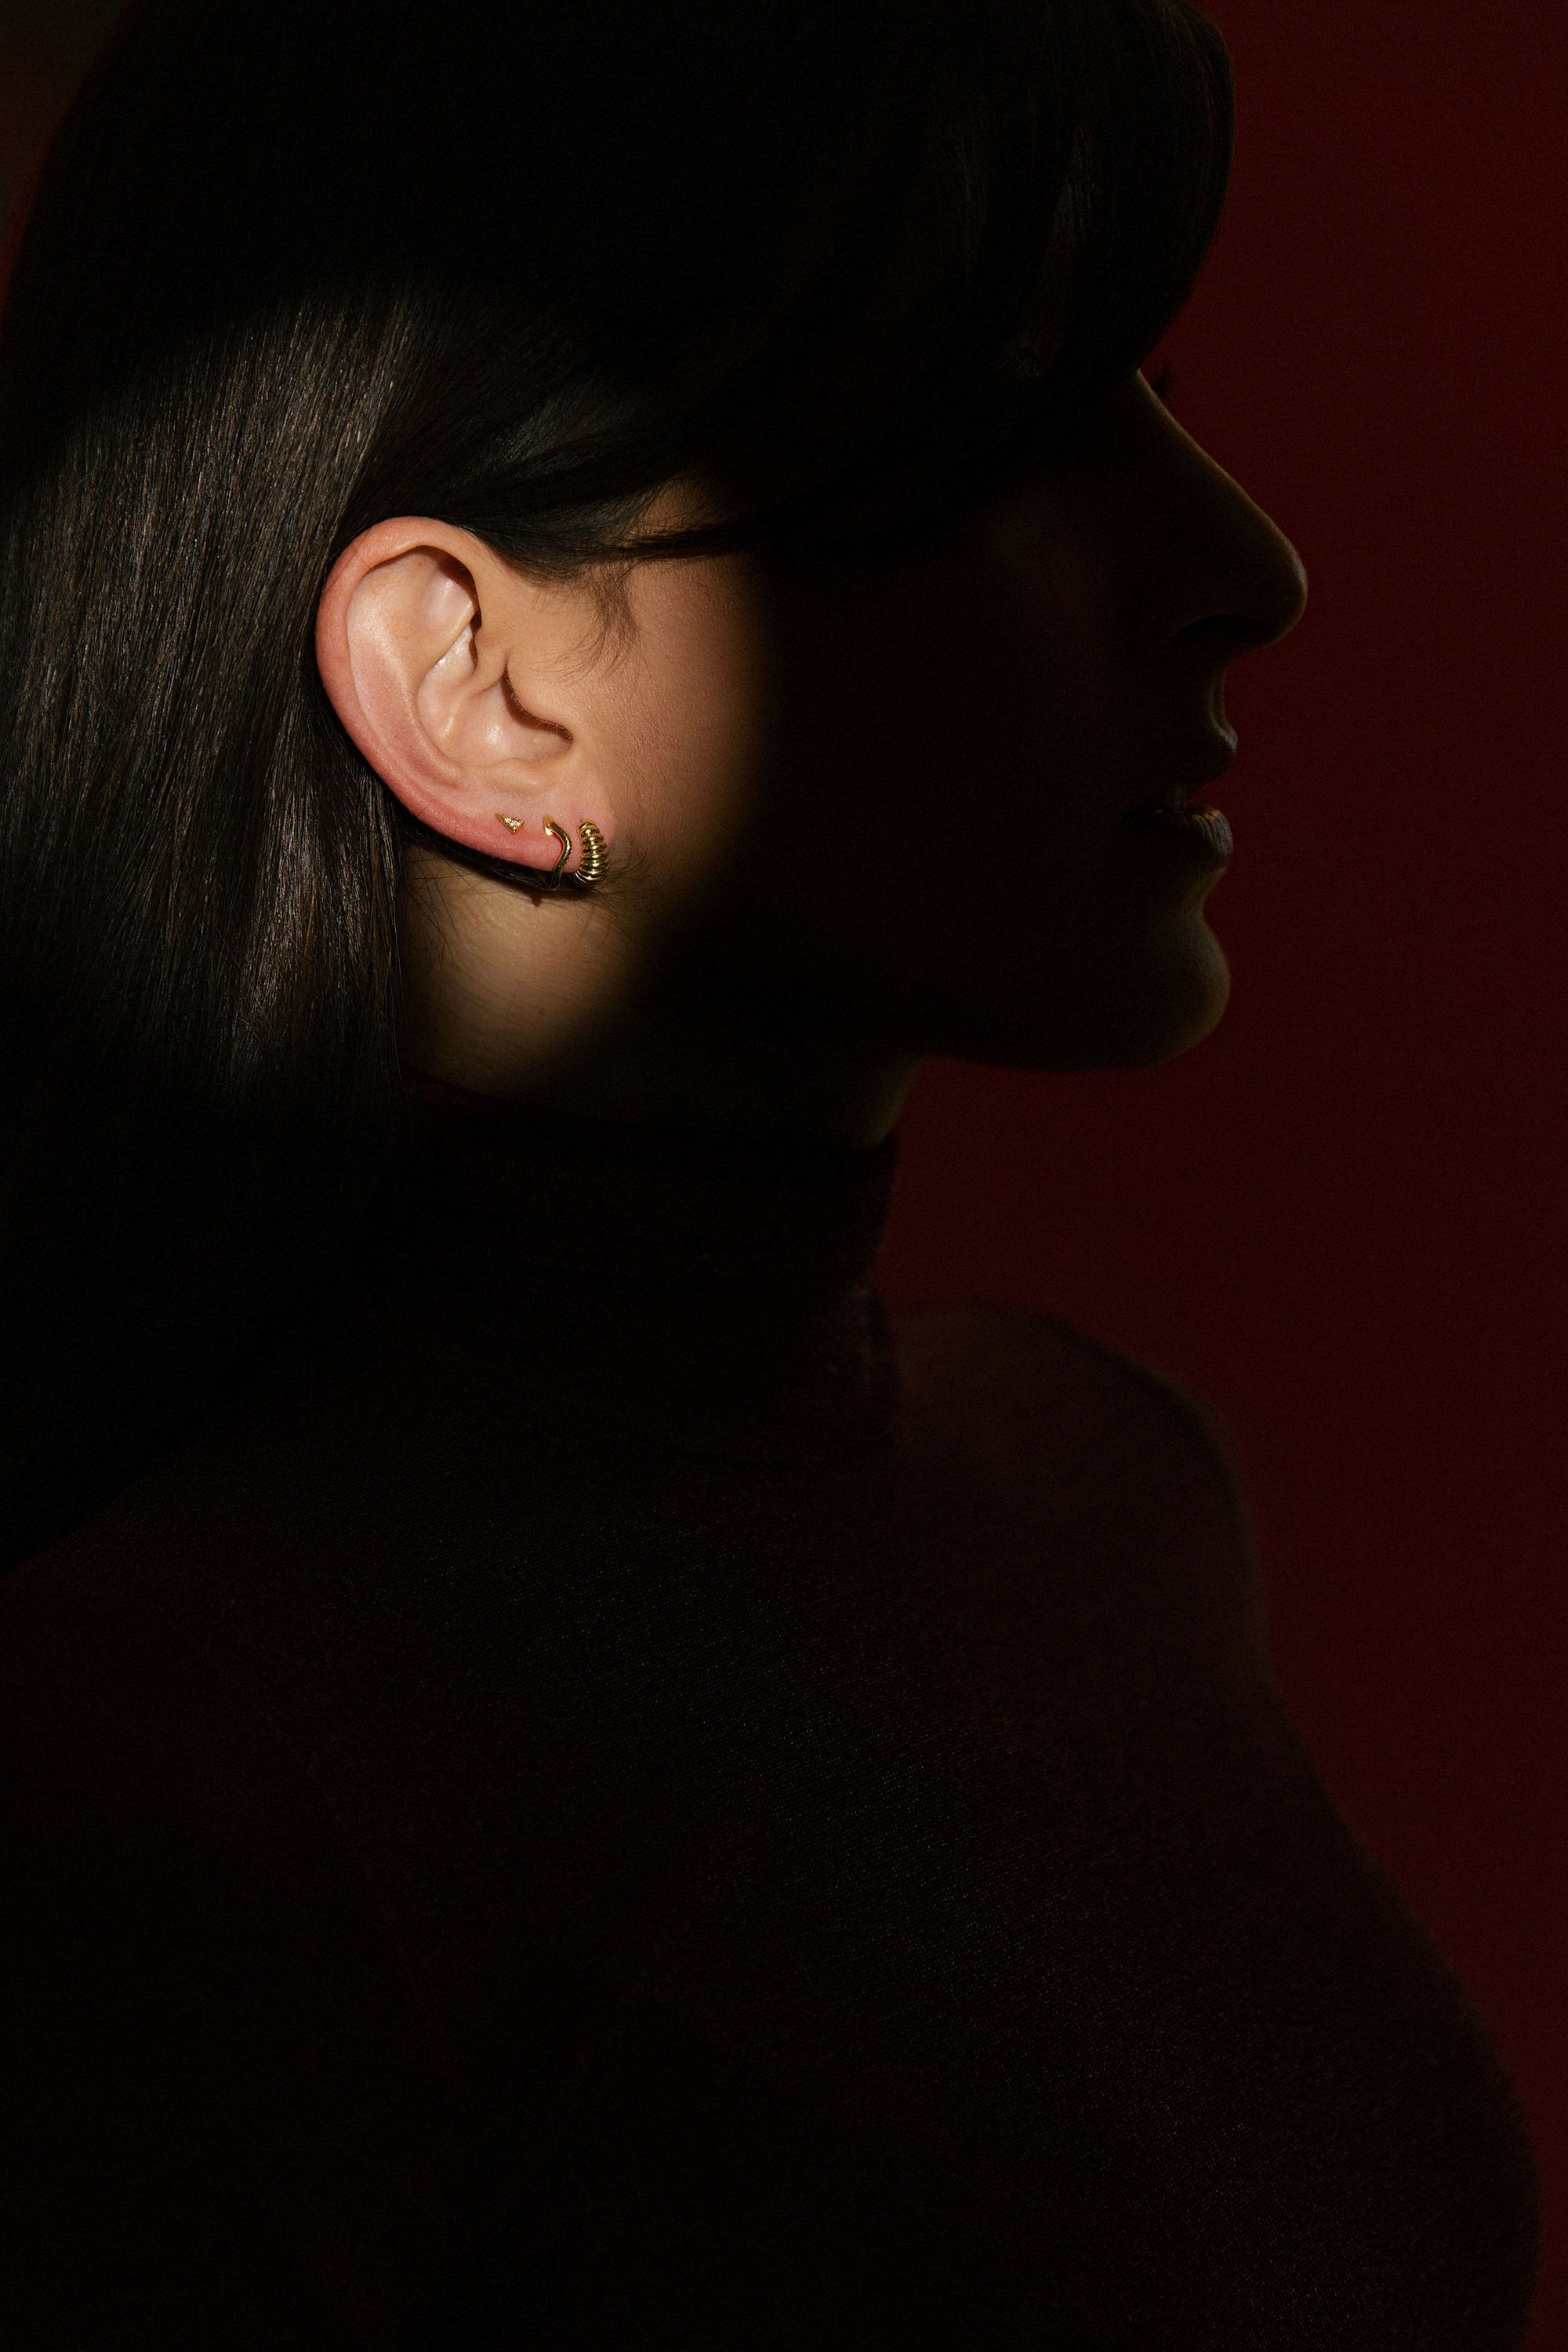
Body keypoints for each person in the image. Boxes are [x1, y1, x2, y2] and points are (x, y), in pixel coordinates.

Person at [0, 0, 1539, 2342]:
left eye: (1154, 391)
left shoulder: (1096, 1488)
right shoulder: (164, 1804)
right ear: (478, 686)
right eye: (1001, 425)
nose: (1248, 560)